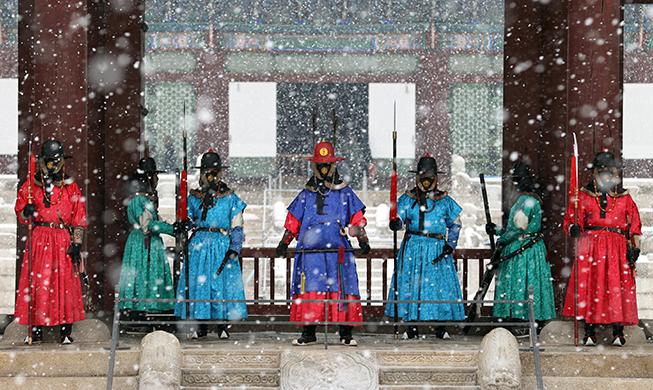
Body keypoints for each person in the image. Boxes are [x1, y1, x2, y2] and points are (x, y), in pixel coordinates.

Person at [276, 141, 371, 346]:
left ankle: (346, 333)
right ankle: (309, 332)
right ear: (315, 167)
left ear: (333, 166)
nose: (324, 169)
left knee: (343, 289)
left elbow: (356, 219)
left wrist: (362, 238)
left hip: (338, 252)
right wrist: (284, 242)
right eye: (321, 165)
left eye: (327, 165)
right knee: (311, 288)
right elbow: (293, 222)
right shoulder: (306, 194)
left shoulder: (345, 193)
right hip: (311, 254)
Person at [562, 151, 642, 346]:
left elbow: (635, 226)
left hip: (617, 249)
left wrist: (635, 248)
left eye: (610, 172)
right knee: (591, 286)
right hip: (591, 247)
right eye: (602, 171)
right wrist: (573, 228)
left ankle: (617, 330)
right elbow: (573, 220)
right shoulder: (583, 196)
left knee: (616, 286)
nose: (606, 175)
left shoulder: (625, 198)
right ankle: (589, 330)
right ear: (595, 173)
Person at [14, 139, 87, 344]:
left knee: (65, 284)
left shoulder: (71, 187)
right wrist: (25, 211)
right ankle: (36, 328)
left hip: (63, 238)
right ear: (42, 162)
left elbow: (79, 216)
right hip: (40, 239)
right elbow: (21, 211)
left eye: (56, 161)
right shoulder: (32, 186)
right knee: (39, 283)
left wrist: (77, 243)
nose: (53, 165)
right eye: (49, 161)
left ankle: (65, 330)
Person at [386, 156, 464, 340]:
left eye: (430, 177)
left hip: (437, 248)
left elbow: (455, 224)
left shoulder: (445, 201)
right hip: (413, 247)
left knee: (440, 288)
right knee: (411, 285)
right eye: (423, 177)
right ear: (417, 177)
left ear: (436, 178)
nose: (426, 181)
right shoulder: (407, 199)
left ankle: (441, 327)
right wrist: (396, 223)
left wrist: (450, 244)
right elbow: (400, 219)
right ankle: (411, 327)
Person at [174, 151, 247, 339]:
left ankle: (222, 326)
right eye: (207, 172)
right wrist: (184, 224)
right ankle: (201, 326)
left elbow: (237, 225)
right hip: (199, 245)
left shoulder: (230, 198)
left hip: (221, 244)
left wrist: (235, 247)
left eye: (213, 171)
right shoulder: (194, 197)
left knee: (220, 285)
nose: (210, 175)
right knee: (201, 286)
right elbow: (190, 219)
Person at [486, 161, 556, 329]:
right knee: (530, 284)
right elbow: (515, 227)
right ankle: (533, 318)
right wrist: (496, 231)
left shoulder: (525, 201)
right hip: (531, 248)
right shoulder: (531, 200)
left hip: (523, 250)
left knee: (521, 283)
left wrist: (501, 239)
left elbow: (518, 228)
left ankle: (519, 319)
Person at [118, 157, 180, 319]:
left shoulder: (144, 198)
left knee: (146, 274)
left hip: (147, 242)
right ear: (148, 178)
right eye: (154, 176)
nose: (157, 180)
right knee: (145, 274)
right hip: (143, 242)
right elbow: (148, 225)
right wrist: (172, 228)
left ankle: (148, 310)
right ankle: (145, 310)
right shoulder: (140, 200)